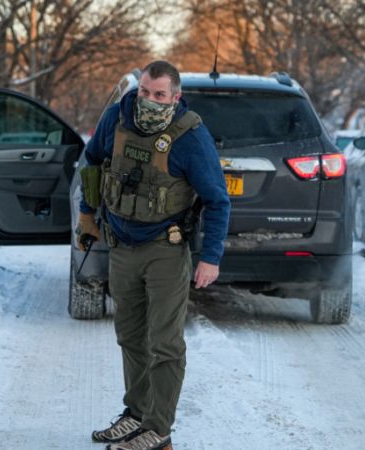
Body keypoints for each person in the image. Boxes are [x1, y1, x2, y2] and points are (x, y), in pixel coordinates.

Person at [78, 60, 230, 450]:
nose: (148, 100)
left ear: (175, 97)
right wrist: (87, 216)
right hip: (122, 246)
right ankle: (136, 415)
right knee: (130, 336)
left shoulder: (189, 137)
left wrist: (210, 258)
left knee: (164, 342)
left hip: (165, 248)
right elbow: (92, 162)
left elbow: (217, 200)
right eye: (144, 91)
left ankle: (158, 430)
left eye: (159, 95)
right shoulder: (117, 117)